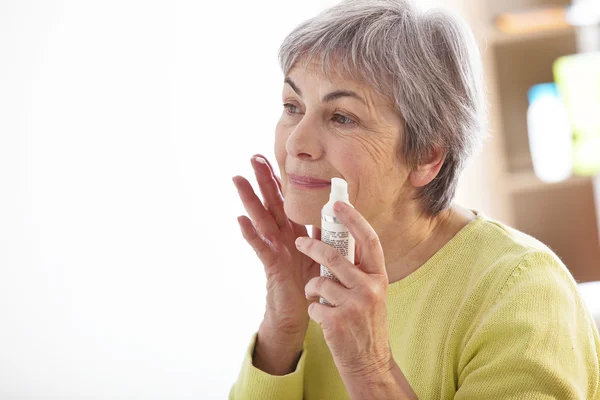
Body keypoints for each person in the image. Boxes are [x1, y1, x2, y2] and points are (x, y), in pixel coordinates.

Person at [229, 0, 600, 398]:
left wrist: (368, 366)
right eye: (292, 106)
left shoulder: (521, 290)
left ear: (426, 156)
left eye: (342, 117)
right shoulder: (315, 283)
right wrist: (283, 325)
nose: (297, 143)